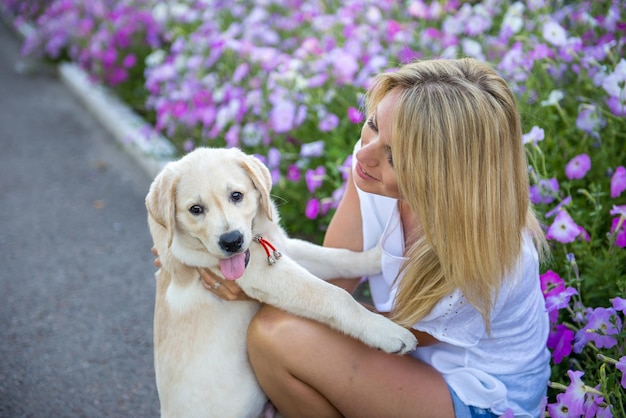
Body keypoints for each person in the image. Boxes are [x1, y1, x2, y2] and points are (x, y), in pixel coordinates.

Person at [192, 58, 551, 417]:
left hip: (480, 397)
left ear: (444, 178)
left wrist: (261, 286)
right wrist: (222, 245)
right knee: (275, 331)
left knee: (276, 334)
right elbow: (332, 279)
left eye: (393, 156)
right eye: (373, 125)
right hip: (412, 366)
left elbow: (393, 336)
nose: (364, 153)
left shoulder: (491, 249)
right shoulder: (369, 167)